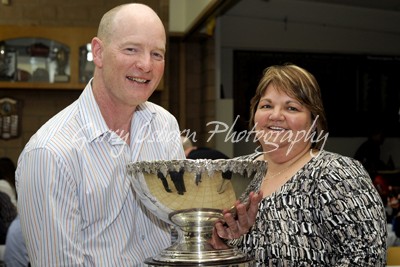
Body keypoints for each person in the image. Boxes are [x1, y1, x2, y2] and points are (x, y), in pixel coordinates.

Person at [15, 4, 261, 266]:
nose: (146, 65)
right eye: (131, 49)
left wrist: (218, 234)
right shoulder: (49, 153)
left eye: (157, 54)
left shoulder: (164, 126)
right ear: (98, 52)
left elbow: (179, 232)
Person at [227, 64, 387, 265]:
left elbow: (367, 258)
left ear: (313, 122)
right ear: (254, 114)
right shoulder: (233, 172)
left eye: (291, 107)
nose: (275, 115)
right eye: (266, 105)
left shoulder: (338, 174)